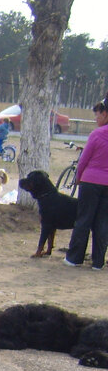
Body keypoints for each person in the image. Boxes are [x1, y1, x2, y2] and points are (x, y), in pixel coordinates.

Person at [62, 99, 108, 269]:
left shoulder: (97, 134)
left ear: (105, 114)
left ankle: (74, 258)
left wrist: (78, 177)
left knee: (84, 219)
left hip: (90, 181)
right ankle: (98, 261)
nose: (96, 118)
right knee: (102, 222)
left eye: (97, 115)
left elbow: (84, 160)